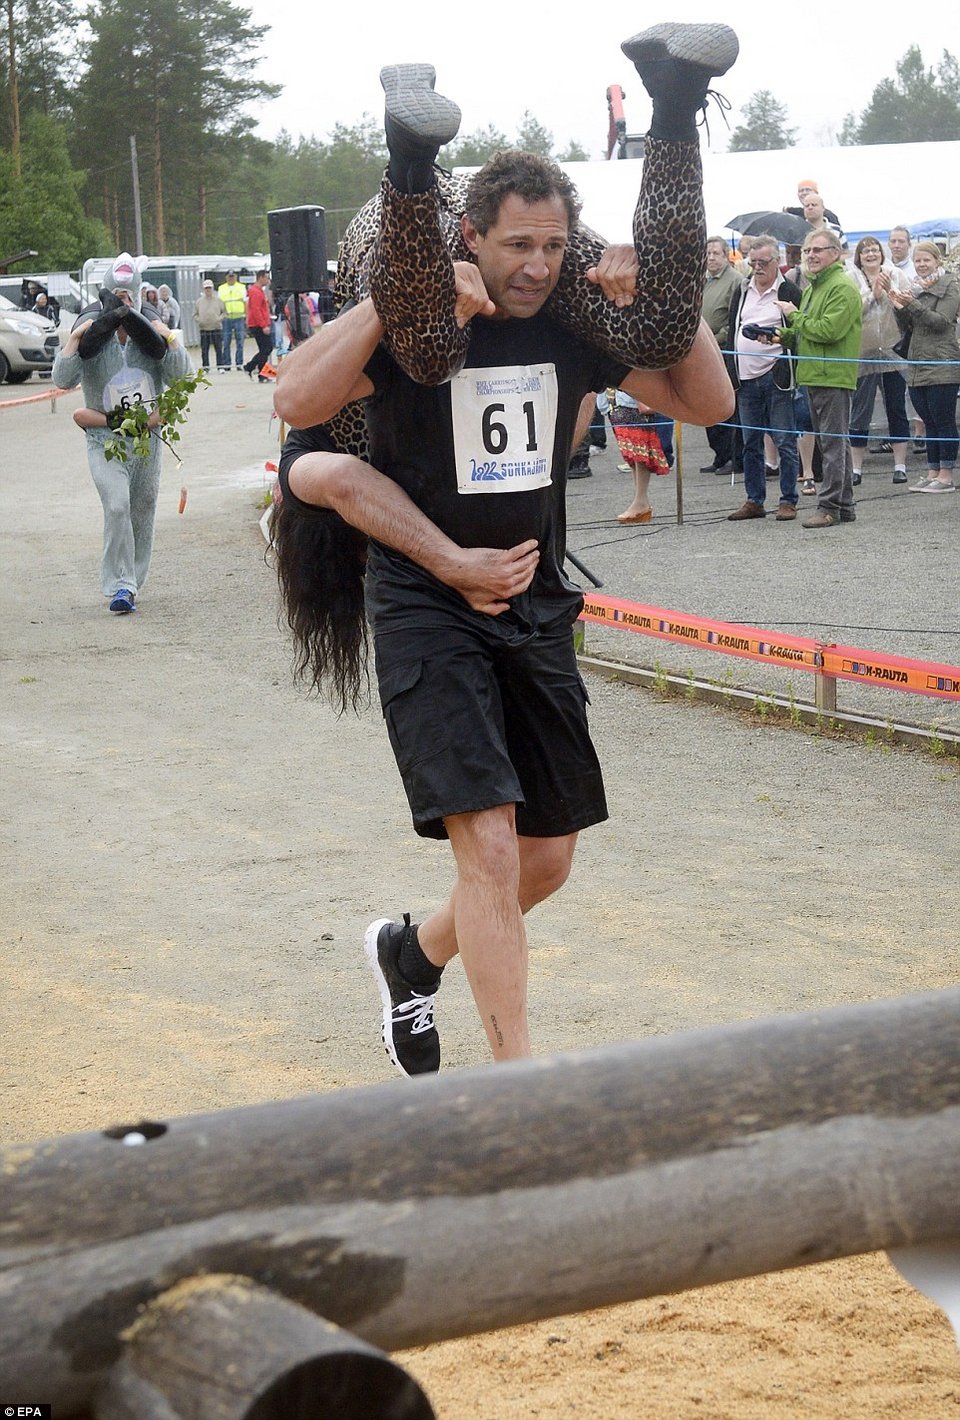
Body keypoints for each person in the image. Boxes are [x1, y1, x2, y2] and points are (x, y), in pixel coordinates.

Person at [273, 25, 736, 1074]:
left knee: (546, 857)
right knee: (485, 844)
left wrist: (647, 309)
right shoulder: (423, 315)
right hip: (427, 602)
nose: (535, 266)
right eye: (517, 245)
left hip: (530, 602)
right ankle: (515, 1090)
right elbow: (298, 408)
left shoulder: (571, 323)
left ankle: (410, 950)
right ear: (470, 237)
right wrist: (394, 304)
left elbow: (709, 399)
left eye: (553, 248)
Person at [51, 252, 193, 613]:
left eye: (128, 297)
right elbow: (63, 380)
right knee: (117, 505)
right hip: (104, 442)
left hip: (147, 444)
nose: (122, 304)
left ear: (137, 296)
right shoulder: (93, 339)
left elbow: (183, 377)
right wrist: (73, 341)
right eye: (117, 296)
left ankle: (132, 584)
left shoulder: (151, 337)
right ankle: (120, 584)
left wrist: (169, 338)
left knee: (141, 512)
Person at [777, 229, 862, 529]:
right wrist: (781, 335)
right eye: (807, 250)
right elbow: (808, 332)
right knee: (835, 442)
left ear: (835, 254)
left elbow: (828, 330)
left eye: (818, 250)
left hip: (833, 376)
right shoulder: (815, 287)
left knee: (832, 444)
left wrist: (794, 315)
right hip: (815, 374)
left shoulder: (841, 287)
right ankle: (845, 505)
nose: (811, 255)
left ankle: (829, 507)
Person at [725, 235, 802, 522]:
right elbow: (734, 326)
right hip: (745, 375)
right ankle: (754, 499)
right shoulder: (742, 290)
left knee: (784, 439)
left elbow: (799, 330)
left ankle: (788, 499)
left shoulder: (788, 290)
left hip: (776, 373)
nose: (757, 267)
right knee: (750, 442)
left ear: (777, 262)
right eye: (753, 261)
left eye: (763, 262)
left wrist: (773, 337)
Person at [888, 242, 960, 493]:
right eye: (917, 261)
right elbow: (909, 326)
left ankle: (947, 475)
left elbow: (941, 322)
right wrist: (899, 306)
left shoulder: (950, 285)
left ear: (937, 261)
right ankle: (932, 471)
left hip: (942, 363)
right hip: (917, 363)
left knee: (944, 420)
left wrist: (913, 305)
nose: (921, 265)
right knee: (928, 420)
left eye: (926, 260)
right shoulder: (914, 289)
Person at [848, 237, 911, 485]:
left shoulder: (895, 274)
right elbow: (851, 312)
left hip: (893, 350)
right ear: (859, 256)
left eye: (875, 250)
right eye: (865, 251)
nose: (871, 254)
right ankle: (856, 469)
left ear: (881, 253)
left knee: (896, 406)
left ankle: (900, 465)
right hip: (864, 352)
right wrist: (871, 295)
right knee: (860, 409)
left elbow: (907, 306)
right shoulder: (850, 278)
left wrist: (890, 294)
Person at [601, 387, 673, 521]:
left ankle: (640, 501)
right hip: (616, 398)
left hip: (632, 396)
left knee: (639, 452)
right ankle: (640, 500)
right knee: (632, 453)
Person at [700, 235, 740, 473]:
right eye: (708, 253)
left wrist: (714, 340)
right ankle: (718, 454)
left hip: (723, 349)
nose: (711, 257)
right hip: (704, 352)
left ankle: (732, 456)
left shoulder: (735, 281)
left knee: (725, 406)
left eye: (716, 253)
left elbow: (733, 318)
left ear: (726, 256)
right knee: (706, 405)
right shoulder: (702, 281)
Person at [243, 269, 274, 381]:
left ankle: (262, 374)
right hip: (257, 325)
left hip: (259, 323)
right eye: (266, 277)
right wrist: (263, 325)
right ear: (261, 277)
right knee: (267, 348)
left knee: (264, 349)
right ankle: (249, 367)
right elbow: (256, 310)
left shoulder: (258, 291)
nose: (268, 280)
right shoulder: (255, 292)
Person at [194, 278, 226, 371]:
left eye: (209, 288)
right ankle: (206, 367)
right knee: (204, 349)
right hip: (204, 328)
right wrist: (199, 320)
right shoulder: (199, 301)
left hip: (216, 328)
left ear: (212, 288)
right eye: (206, 288)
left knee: (219, 348)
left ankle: (220, 366)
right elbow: (195, 314)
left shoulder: (219, 300)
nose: (208, 290)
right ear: (203, 289)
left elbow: (224, 313)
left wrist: (218, 319)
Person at [218, 270, 247, 370]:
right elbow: (219, 304)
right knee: (226, 342)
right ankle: (227, 364)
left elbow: (245, 302)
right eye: (229, 276)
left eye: (233, 276)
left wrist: (246, 316)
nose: (231, 278)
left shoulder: (242, 287)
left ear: (236, 277)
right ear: (226, 277)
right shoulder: (221, 288)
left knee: (240, 342)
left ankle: (239, 363)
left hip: (239, 317)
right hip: (226, 318)